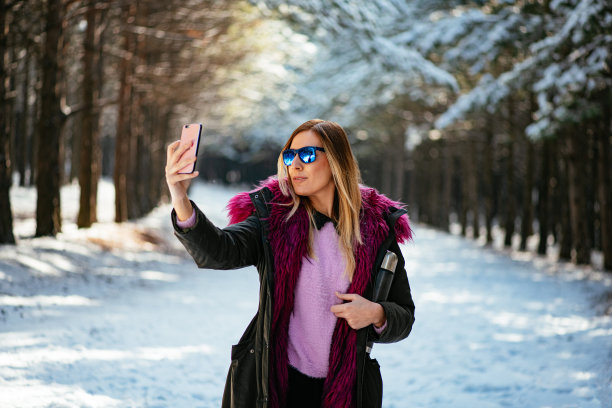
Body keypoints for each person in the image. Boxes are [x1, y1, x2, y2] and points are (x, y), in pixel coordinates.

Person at [165, 119, 415, 408]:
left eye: (307, 155)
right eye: (289, 155)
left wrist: (376, 313)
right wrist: (180, 196)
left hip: (347, 390)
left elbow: (404, 316)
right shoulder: (274, 219)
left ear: (336, 160)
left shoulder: (377, 231)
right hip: (274, 386)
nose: (295, 164)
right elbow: (219, 250)